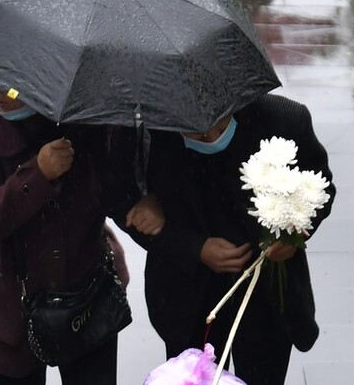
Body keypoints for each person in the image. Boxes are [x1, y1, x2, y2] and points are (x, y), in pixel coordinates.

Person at [124, 93, 335, 385]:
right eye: (194, 130)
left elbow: (320, 188)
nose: (209, 134)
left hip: (265, 298)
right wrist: (193, 246)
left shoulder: (285, 120)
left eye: (218, 124)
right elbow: (123, 202)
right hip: (191, 297)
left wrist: (292, 234)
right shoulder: (150, 131)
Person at [0, 79, 148, 385]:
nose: (0, 93)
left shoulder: (83, 116)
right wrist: (37, 174)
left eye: (13, 86)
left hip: (86, 293)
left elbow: (114, 188)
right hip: (8, 307)